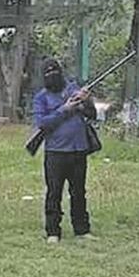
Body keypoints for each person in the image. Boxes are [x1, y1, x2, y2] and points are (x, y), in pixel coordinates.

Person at [32, 57, 97, 244]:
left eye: (55, 71)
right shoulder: (41, 98)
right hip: (55, 152)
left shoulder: (73, 89)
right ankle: (53, 232)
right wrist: (65, 109)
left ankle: (82, 230)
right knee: (54, 192)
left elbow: (91, 114)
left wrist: (87, 101)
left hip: (78, 149)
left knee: (79, 192)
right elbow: (42, 123)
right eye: (48, 73)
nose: (53, 76)